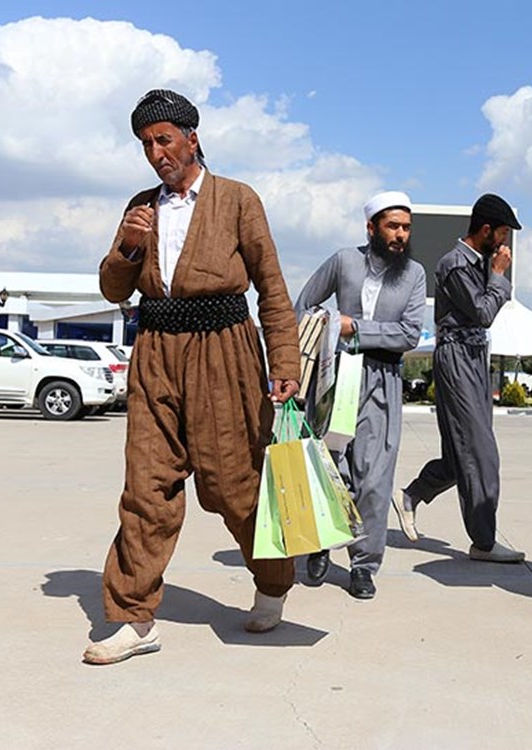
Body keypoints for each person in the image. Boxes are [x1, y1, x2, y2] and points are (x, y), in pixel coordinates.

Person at [84, 89, 301, 665]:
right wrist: (129, 246)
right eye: (146, 144)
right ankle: (132, 616)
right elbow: (112, 289)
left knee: (235, 484)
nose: (156, 152)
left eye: (164, 139)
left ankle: (273, 580)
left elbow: (272, 289)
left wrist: (284, 362)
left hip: (224, 351)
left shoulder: (236, 200)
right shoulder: (141, 206)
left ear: (192, 138)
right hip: (155, 350)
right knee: (145, 485)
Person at [294, 191, 427, 599]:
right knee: (330, 467)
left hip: (383, 379)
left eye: (405, 227)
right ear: (371, 228)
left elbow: (408, 333)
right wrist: (333, 325)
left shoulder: (415, 274)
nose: (400, 235)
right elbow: (304, 305)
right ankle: (320, 546)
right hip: (336, 374)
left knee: (374, 478)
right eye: (392, 226)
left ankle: (364, 564)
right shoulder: (342, 261)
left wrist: (358, 329)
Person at [391, 194, 526, 563]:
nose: (505, 243)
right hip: (456, 357)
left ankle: (412, 494)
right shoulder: (455, 265)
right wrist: (498, 277)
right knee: (482, 453)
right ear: (485, 230)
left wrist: (493, 274)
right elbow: (482, 312)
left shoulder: (480, 263)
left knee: (459, 454)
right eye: (501, 233)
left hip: (475, 357)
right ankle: (483, 543)